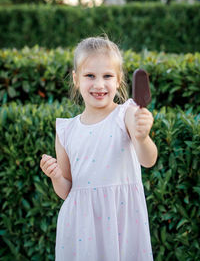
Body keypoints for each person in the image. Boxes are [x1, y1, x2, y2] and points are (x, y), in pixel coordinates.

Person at [40, 36, 158, 261]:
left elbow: (148, 159)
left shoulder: (127, 114)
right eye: (90, 76)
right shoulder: (66, 130)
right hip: (81, 228)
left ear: (119, 79)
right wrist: (55, 176)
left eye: (107, 76)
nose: (99, 84)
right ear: (76, 79)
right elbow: (67, 190)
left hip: (122, 221)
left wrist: (143, 139)